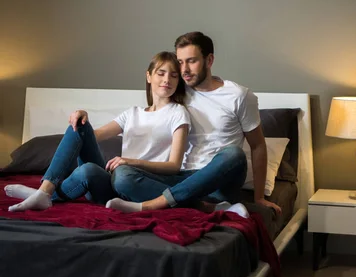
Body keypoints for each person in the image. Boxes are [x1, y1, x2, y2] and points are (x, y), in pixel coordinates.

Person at [106, 31, 281, 215]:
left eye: (192, 61)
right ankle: (203, 207)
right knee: (123, 176)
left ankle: (153, 204)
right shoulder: (176, 91)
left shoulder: (239, 96)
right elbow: (153, 109)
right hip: (182, 178)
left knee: (233, 154)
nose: (184, 70)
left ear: (209, 60)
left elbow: (258, 145)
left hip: (218, 182)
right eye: (180, 62)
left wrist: (259, 198)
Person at [6, 52, 190, 212]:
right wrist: (82, 115)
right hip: (109, 183)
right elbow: (92, 136)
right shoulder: (133, 113)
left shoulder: (178, 113)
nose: (167, 80)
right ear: (149, 76)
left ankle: (45, 195)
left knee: (96, 171)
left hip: (131, 183)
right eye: (161, 73)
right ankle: (44, 190)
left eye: (174, 76)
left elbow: (174, 165)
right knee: (79, 126)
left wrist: (129, 162)